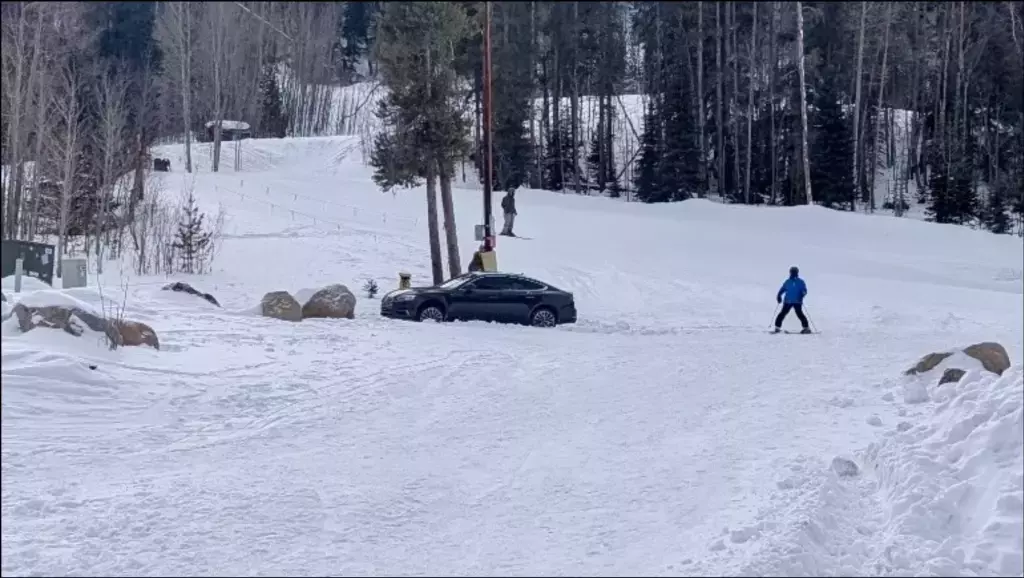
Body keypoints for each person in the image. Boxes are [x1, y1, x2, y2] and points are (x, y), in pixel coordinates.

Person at [774, 266, 810, 334]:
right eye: (792, 272)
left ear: (797, 273)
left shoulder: (800, 282)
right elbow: (782, 289)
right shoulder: (788, 281)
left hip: (797, 301)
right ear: (790, 273)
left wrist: (802, 294)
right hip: (788, 301)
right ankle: (777, 328)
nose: (793, 273)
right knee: (782, 314)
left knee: (799, 314)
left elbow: (804, 290)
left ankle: (806, 328)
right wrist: (779, 295)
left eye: (794, 272)